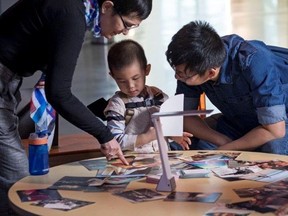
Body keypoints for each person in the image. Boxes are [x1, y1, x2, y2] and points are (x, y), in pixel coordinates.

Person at [0, 0, 152, 215]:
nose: (125, 32)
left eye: (132, 27)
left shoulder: (75, 10)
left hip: (8, 83)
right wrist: (105, 135)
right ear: (107, 6)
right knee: (20, 184)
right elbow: (59, 93)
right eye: (126, 24)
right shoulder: (71, 14)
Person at [166, 20, 288, 155]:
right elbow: (184, 116)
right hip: (238, 121)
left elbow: (275, 130)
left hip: (280, 123)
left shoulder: (254, 61)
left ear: (211, 73)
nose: (177, 78)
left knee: (274, 150)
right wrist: (222, 141)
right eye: (177, 72)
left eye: (184, 75)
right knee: (185, 145)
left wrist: (225, 150)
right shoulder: (192, 65)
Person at [104, 39, 193, 153]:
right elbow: (114, 142)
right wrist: (147, 137)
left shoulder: (159, 97)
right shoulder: (117, 104)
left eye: (136, 78)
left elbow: (166, 127)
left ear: (147, 70)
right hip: (133, 164)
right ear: (113, 76)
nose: (131, 86)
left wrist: (173, 135)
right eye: (122, 81)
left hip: (163, 159)